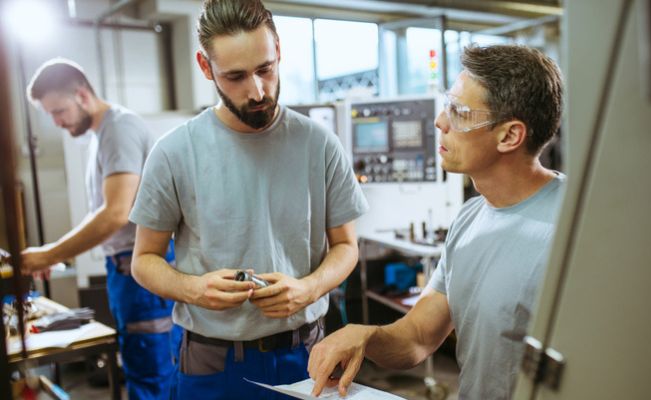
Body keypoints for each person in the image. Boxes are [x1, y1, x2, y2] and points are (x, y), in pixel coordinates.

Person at [128, 0, 369, 398]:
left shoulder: (319, 143)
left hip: (305, 352)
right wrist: (193, 289)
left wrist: (308, 288)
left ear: (279, 52)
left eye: (265, 69)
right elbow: (143, 261)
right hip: (211, 362)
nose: (257, 90)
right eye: (236, 76)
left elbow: (345, 246)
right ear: (206, 69)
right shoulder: (174, 152)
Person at [308, 44, 567, 400]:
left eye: (459, 112)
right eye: (448, 105)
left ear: (510, 135)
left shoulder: (572, 231)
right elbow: (417, 337)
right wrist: (366, 337)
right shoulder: (469, 218)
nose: (440, 122)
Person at [22, 58, 181, 399]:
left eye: (58, 111)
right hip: (125, 270)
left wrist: (47, 254)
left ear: (81, 95)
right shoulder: (101, 135)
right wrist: (57, 256)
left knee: (152, 376)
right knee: (143, 370)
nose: (56, 121)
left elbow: (115, 214)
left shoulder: (118, 128)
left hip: (141, 270)